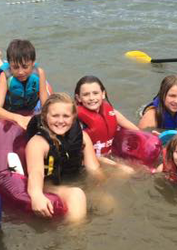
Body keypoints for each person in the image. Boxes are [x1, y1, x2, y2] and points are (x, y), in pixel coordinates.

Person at [25, 93, 102, 222]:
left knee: (108, 200)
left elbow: (94, 168)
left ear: (73, 118)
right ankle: (75, 233)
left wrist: (100, 186)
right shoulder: (38, 143)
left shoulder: (82, 137)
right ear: (45, 116)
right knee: (77, 195)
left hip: (74, 179)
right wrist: (36, 195)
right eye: (55, 116)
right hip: (50, 186)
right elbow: (36, 172)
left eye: (66, 116)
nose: (60, 121)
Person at [74, 75, 140, 172]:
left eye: (95, 93)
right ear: (78, 98)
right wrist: (116, 165)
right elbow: (83, 155)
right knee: (126, 172)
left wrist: (153, 138)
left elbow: (138, 132)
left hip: (109, 157)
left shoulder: (112, 113)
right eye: (86, 94)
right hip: (88, 163)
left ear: (103, 94)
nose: (91, 98)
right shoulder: (76, 122)